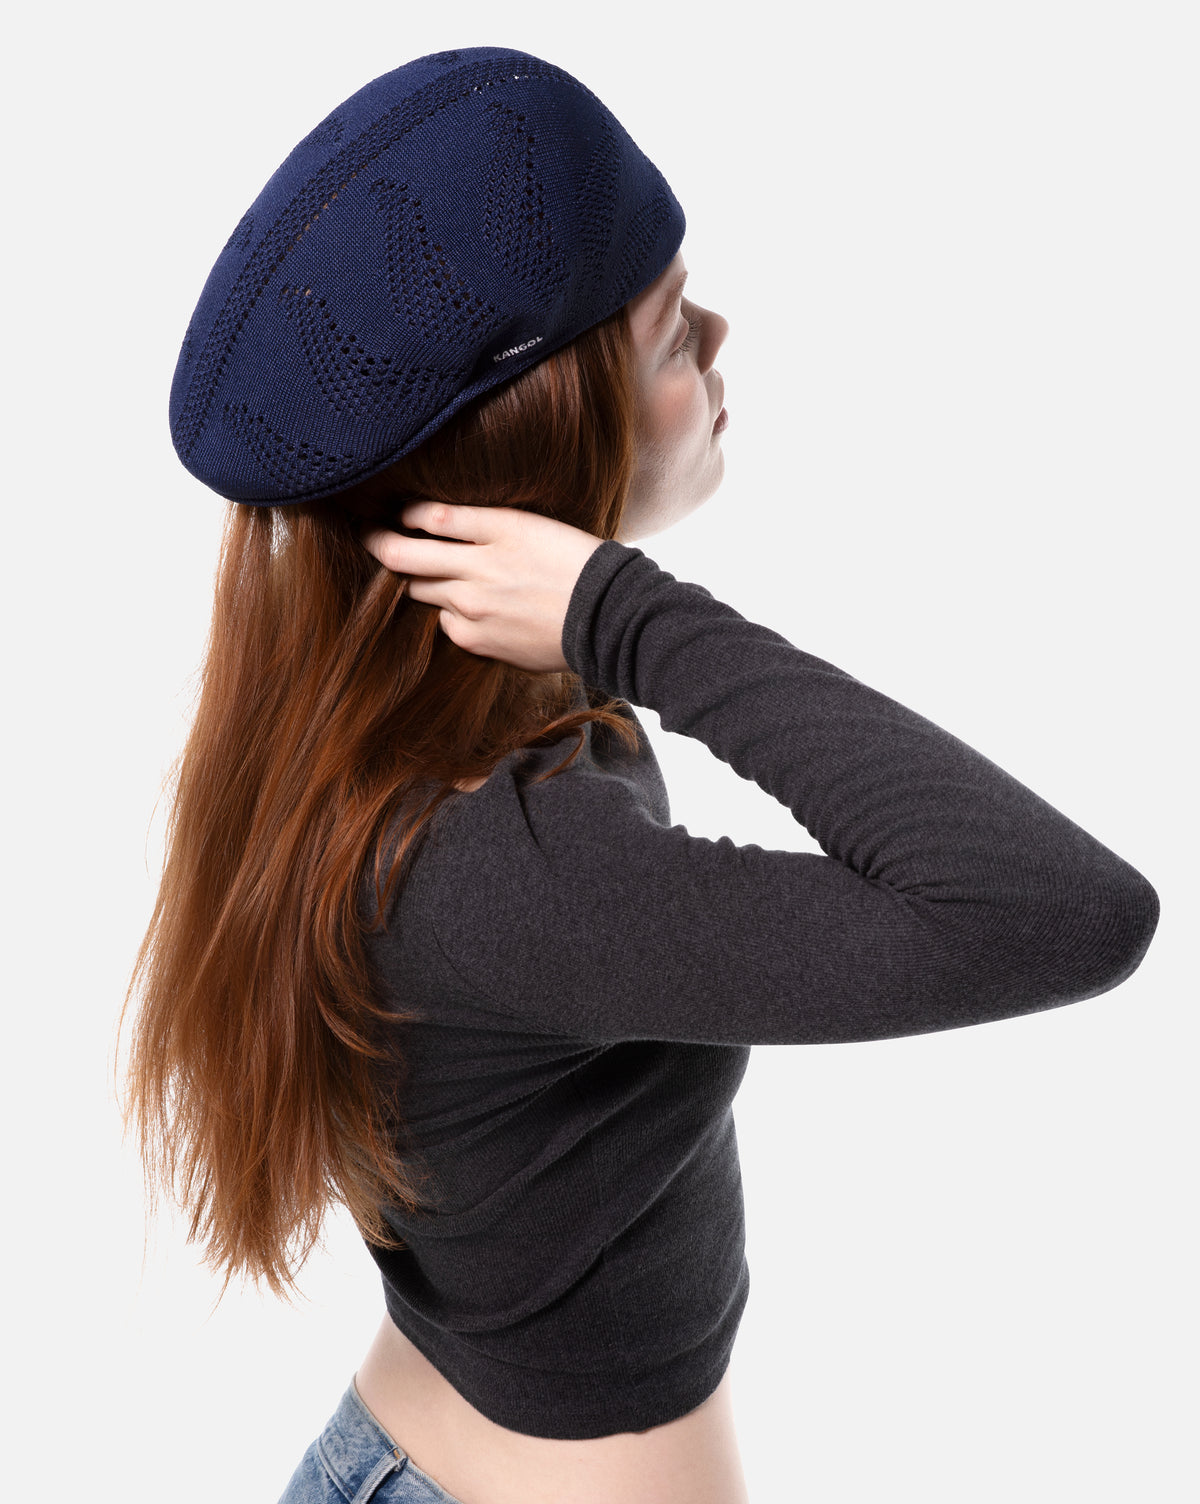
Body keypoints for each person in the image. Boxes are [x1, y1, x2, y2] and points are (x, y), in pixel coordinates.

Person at [123, 46, 1159, 1504]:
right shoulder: (490, 857)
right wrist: (628, 606)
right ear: (544, 443)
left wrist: (599, 627)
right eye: (672, 335)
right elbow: (1062, 911)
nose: (722, 337)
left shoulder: (436, 734)